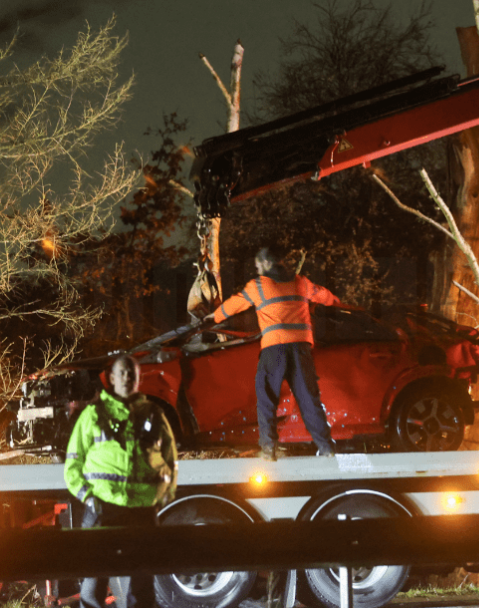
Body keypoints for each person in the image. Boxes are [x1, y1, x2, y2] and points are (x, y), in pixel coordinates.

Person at [205, 246, 339, 460]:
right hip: (301, 350)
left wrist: (213, 317)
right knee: (309, 399)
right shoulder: (301, 283)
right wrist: (338, 304)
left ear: (267, 264)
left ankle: (269, 448)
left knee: (266, 398)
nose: (257, 270)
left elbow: (234, 305)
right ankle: (326, 448)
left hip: (274, 350)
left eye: (258, 265)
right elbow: (323, 295)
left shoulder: (258, 286)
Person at [65, 354, 178, 608]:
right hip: (103, 508)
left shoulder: (153, 414)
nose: (127, 377)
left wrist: (161, 497)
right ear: (112, 378)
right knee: (93, 588)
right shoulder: (93, 414)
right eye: (122, 373)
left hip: (141, 510)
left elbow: (170, 461)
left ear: (138, 379)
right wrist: (88, 497)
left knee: (142, 590)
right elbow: (73, 464)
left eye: (132, 373)